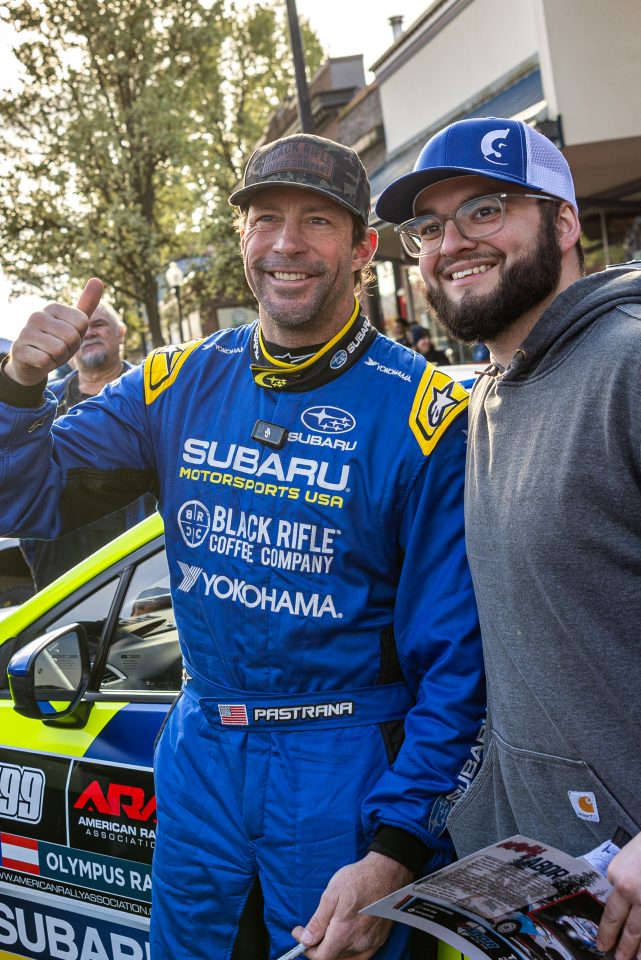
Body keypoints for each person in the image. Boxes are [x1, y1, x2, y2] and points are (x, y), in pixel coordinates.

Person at [0, 132, 486, 960]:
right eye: (265, 219)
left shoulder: (426, 416)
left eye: (318, 221)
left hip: (348, 767)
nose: (286, 243)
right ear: (242, 239)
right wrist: (18, 389)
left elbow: (458, 667)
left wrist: (398, 846)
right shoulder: (175, 383)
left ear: (363, 248)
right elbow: (26, 496)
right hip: (203, 755)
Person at [376, 116, 641, 960]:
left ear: (564, 223)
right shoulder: (492, 393)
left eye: (486, 210)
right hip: (567, 903)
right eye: (429, 226)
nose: (452, 243)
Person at [19, 299, 155, 590]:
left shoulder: (154, 397)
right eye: (81, 329)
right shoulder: (39, 403)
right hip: (59, 578)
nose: (89, 333)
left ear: (121, 333)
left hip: (133, 576)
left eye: (99, 324)